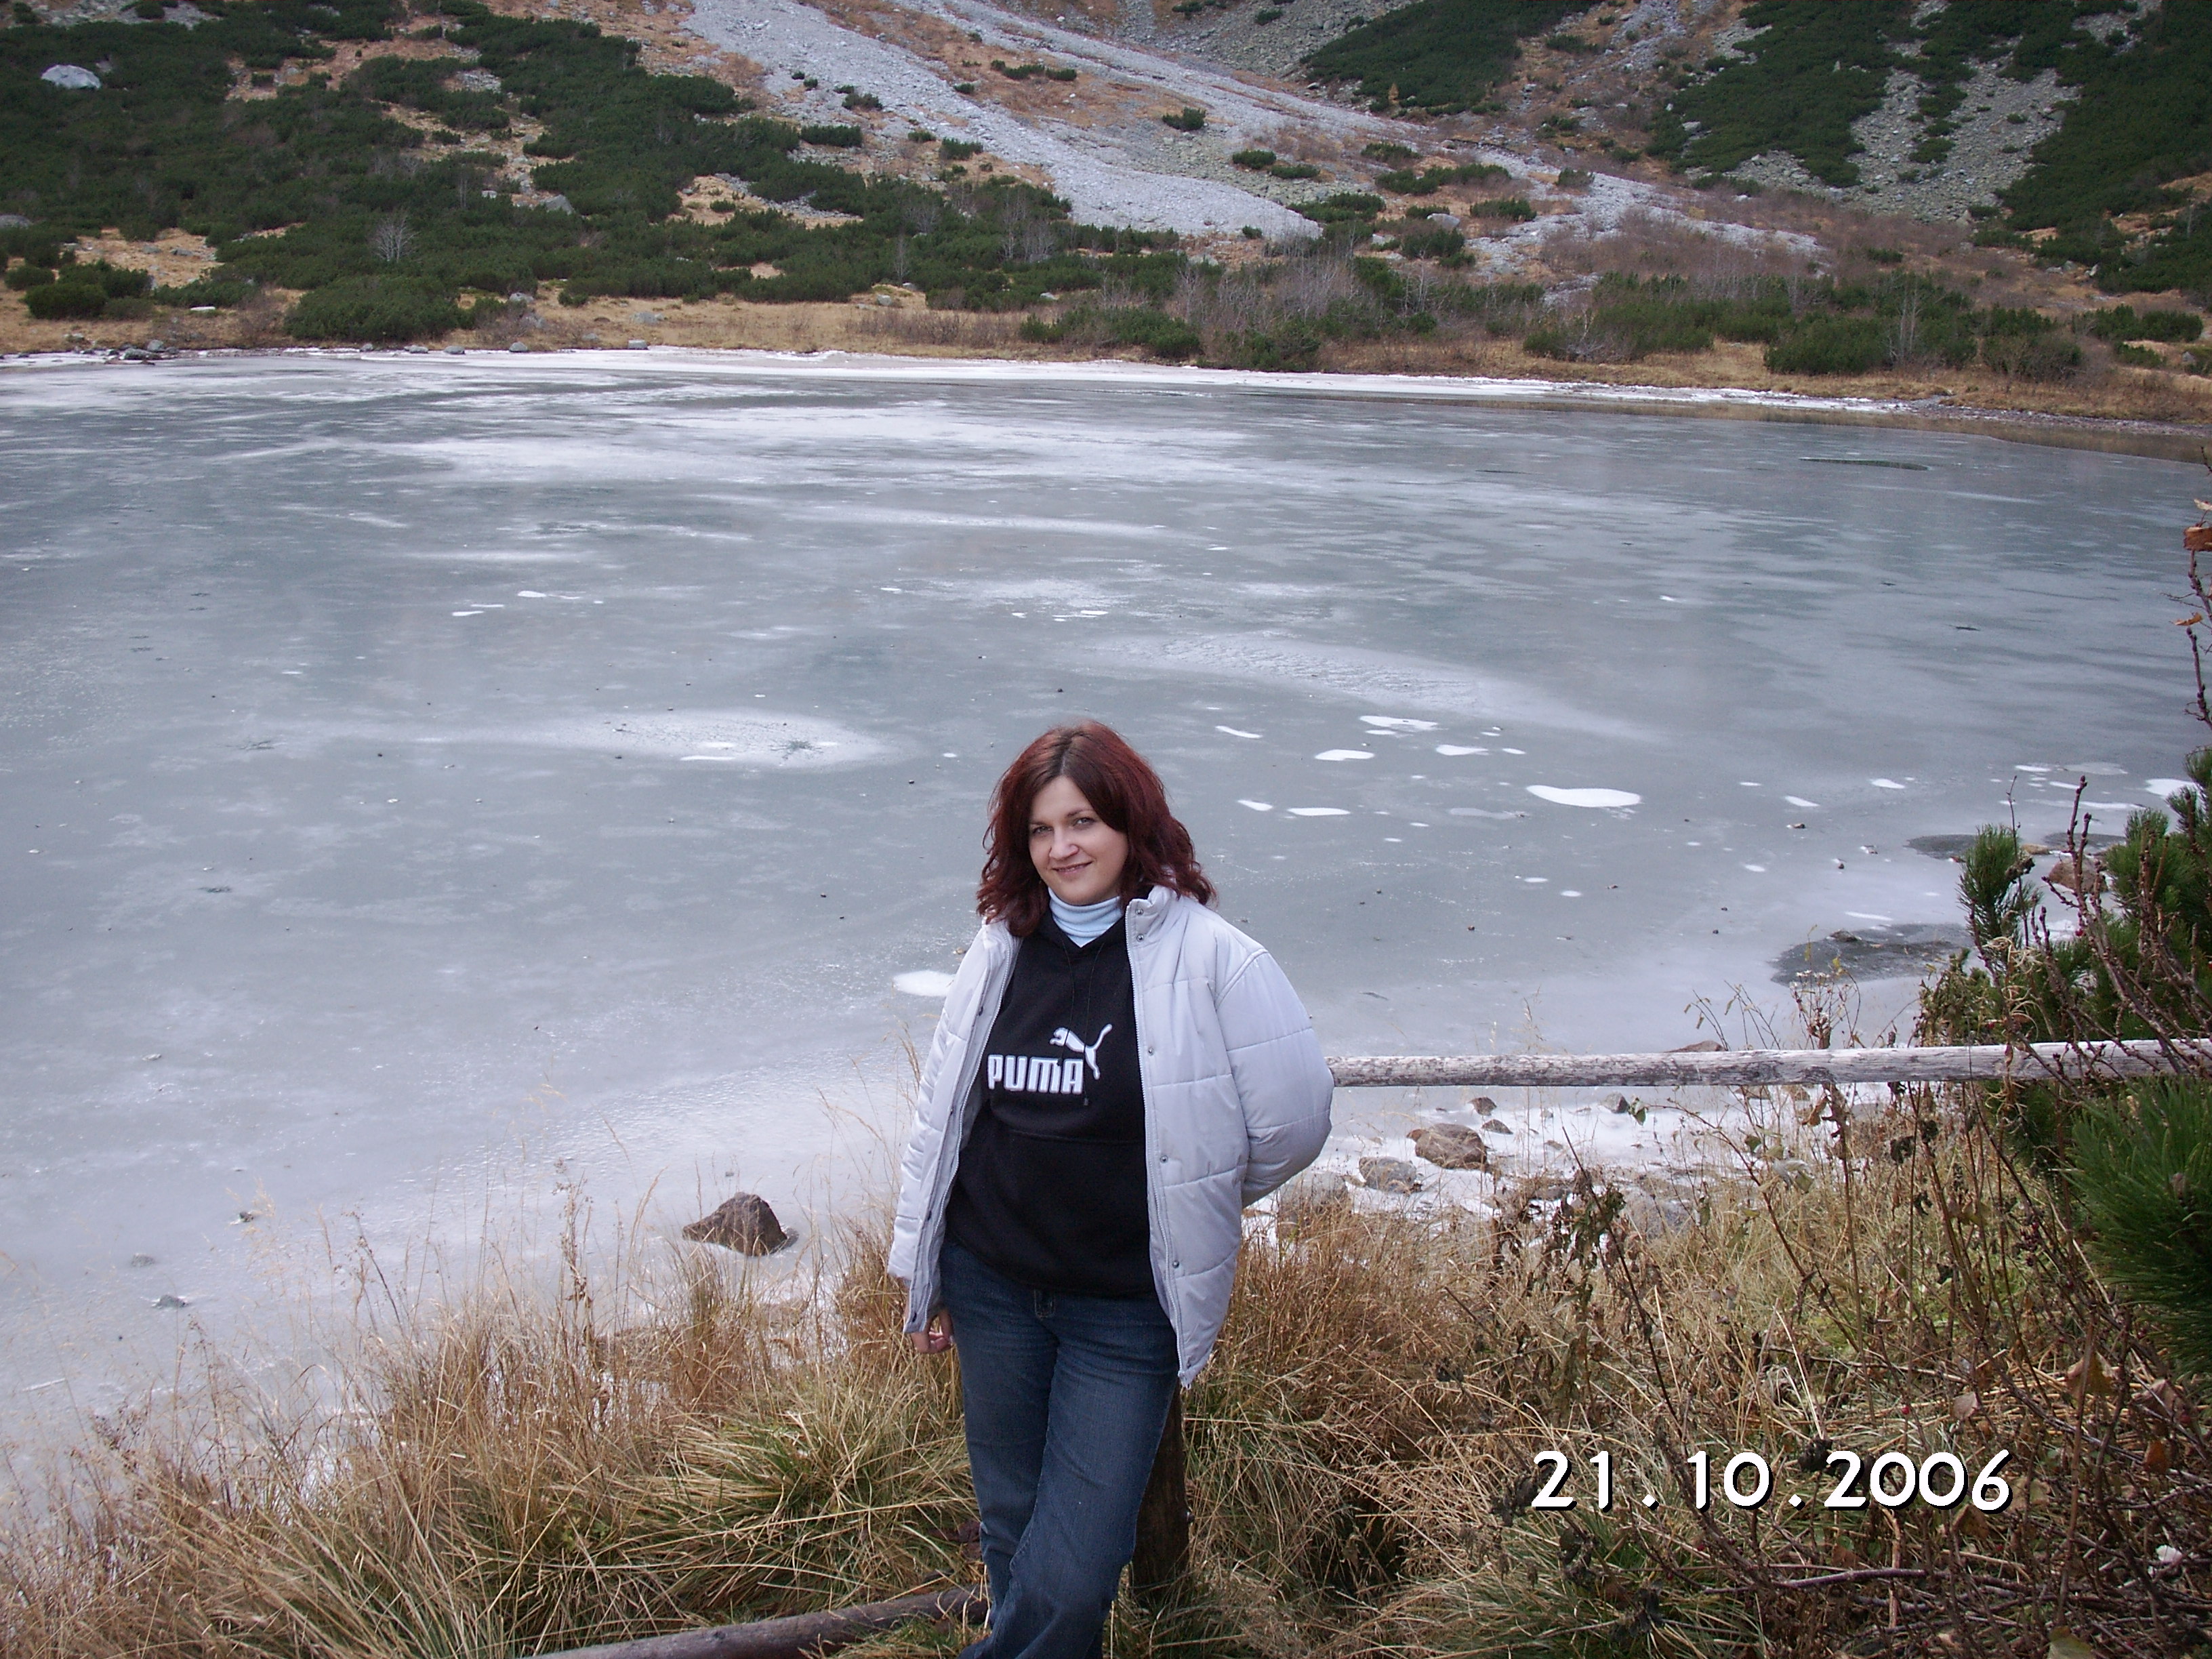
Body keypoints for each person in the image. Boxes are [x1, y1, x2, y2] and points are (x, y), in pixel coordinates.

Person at [889, 720, 1334, 1659]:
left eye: (1083, 821)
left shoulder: (1215, 959)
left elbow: (1293, 1124)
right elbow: (945, 1119)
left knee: (1076, 1570)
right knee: (1012, 1525)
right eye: (1041, 830)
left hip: (1125, 1312)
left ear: (1133, 824)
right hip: (993, 1288)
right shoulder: (999, 948)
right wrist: (925, 1273)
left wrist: (1187, 1197)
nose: (1063, 848)